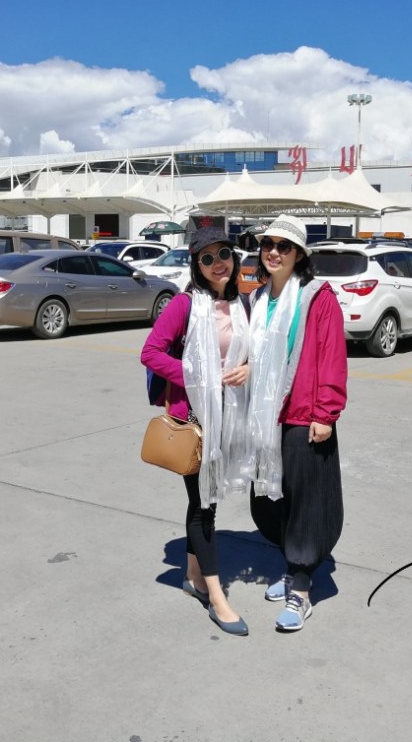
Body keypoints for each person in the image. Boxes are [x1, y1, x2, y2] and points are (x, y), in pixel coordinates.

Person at [140, 226, 253, 637]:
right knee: (203, 504)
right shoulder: (185, 304)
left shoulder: (242, 304)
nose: (218, 263)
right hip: (196, 418)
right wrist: (197, 376)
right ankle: (217, 597)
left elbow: (255, 352)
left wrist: (250, 367)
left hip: (230, 416)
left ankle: (191, 575)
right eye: (207, 258)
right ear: (197, 266)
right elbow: (150, 352)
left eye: (224, 254)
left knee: (208, 501)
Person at [246, 215, 348, 632]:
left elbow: (331, 354)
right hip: (265, 414)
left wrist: (326, 412)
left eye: (283, 246)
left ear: (300, 254)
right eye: (268, 244)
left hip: (304, 414)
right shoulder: (258, 298)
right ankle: (291, 567)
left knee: (305, 502)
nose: (273, 252)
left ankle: (302, 588)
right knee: (274, 499)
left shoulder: (317, 297)